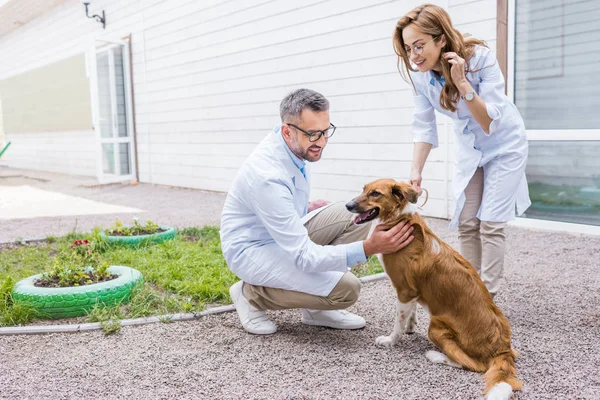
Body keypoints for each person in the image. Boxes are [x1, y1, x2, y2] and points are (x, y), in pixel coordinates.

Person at [220, 88, 415, 335]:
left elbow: (279, 204)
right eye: (313, 134)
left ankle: (316, 309)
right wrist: (370, 248)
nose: (322, 142)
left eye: (325, 131)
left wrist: (305, 207)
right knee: (346, 290)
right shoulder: (266, 175)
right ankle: (250, 295)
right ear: (287, 130)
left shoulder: (294, 146)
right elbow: (304, 256)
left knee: (356, 217)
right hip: (253, 250)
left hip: (281, 236)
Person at [393, 4, 531, 297]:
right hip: (471, 150)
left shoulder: (480, 58)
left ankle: (487, 299)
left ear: (441, 39)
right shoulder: (420, 77)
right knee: (468, 221)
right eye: (408, 48)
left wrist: (462, 83)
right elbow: (424, 127)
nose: (414, 55)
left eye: (419, 45)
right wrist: (416, 172)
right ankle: (472, 291)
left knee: (491, 222)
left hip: (505, 144)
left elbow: (488, 122)